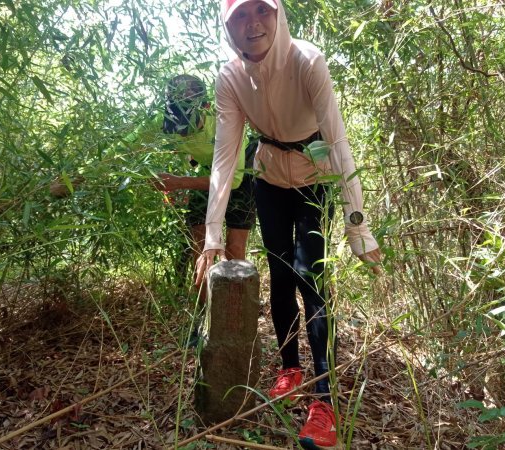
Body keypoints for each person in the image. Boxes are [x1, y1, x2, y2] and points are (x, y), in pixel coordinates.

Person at [194, 1, 382, 448]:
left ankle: (324, 399)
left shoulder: (307, 60)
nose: (253, 23)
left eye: (262, 10)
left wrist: (359, 228)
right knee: (280, 276)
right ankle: (289, 367)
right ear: (228, 26)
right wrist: (212, 235)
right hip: (270, 180)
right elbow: (225, 157)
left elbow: (337, 140)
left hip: (315, 178)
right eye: (240, 15)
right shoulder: (230, 78)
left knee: (311, 279)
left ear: (278, 16)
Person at [152, 75, 256, 311]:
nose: (184, 133)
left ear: (205, 106)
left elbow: (235, 180)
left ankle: (235, 313)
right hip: (206, 172)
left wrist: (180, 182)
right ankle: (205, 314)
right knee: (200, 247)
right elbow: (122, 148)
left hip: (241, 172)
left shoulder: (224, 121)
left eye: (189, 123)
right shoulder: (164, 118)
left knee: (234, 248)